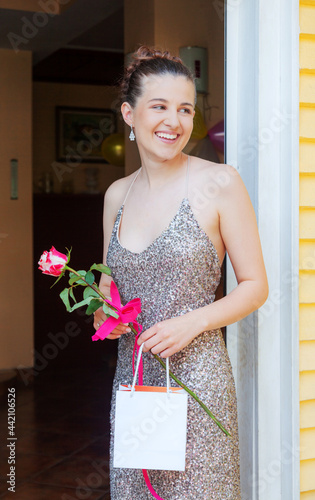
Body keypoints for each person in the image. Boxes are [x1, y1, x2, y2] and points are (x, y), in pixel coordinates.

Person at [93, 46, 268, 500]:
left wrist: (194, 321)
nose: (174, 120)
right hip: (134, 386)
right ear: (129, 115)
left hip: (200, 383)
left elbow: (255, 286)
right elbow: (108, 287)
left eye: (185, 109)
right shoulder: (116, 195)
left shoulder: (220, 183)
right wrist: (103, 315)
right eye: (160, 106)